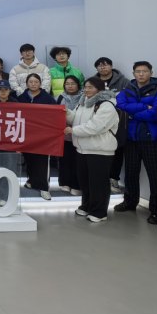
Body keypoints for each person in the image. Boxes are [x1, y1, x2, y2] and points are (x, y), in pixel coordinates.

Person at [115, 61, 157, 223]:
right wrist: (145, 107)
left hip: (152, 138)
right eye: (138, 71)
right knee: (130, 173)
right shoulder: (126, 90)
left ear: (151, 73)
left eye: (145, 71)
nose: (141, 74)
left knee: (155, 175)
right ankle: (130, 202)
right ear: (133, 73)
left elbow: (156, 113)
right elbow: (121, 106)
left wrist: (132, 113)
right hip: (131, 138)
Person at [64, 77, 119, 223]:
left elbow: (95, 127)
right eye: (86, 87)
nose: (87, 90)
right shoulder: (83, 103)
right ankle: (87, 206)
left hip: (100, 150)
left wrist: (73, 130)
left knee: (98, 183)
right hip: (82, 149)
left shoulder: (106, 105)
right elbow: (75, 119)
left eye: (91, 87)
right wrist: (66, 112)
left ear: (99, 89)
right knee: (85, 182)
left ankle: (99, 212)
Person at [93, 56, 131, 193]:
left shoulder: (124, 81)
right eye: (100, 65)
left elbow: (127, 98)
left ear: (111, 66)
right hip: (98, 120)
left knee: (117, 148)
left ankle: (113, 178)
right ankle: (101, 179)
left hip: (118, 120)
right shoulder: (93, 81)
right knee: (99, 149)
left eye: (105, 64)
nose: (103, 67)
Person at [18, 73, 57, 200]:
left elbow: (55, 115)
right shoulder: (21, 98)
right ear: (26, 84)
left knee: (42, 162)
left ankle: (44, 188)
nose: (33, 84)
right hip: (26, 135)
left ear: (40, 83)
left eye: (36, 82)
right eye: (31, 82)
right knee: (29, 160)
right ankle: (32, 181)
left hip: (43, 137)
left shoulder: (48, 98)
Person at [56, 75, 83, 195]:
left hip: (79, 134)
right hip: (64, 135)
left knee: (77, 161)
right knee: (64, 160)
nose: (70, 86)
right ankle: (64, 183)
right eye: (67, 84)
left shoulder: (84, 97)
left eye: (73, 83)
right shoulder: (60, 97)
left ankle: (76, 185)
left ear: (78, 85)